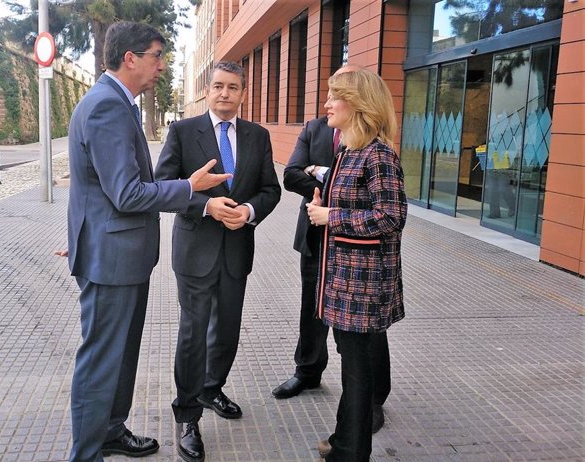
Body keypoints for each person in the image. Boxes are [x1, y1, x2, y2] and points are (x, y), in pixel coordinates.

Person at [66, 22, 230, 462]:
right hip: (112, 261)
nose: (162, 65)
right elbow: (127, 193)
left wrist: (82, 234)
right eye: (157, 55)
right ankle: (86, 453)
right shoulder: (107, 107)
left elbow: (94, 190)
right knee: (101, 361)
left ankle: (111, 431)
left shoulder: (118, 104)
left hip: (119, 256)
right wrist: (188, 188)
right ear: (130, 58)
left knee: (119, 356)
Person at [155, 61, 281, 462]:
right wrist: (207, 205)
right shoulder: (182, 131)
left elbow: (270, 189)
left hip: (236, 250)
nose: (225, 94)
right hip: (195, 251)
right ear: (207, 91)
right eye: (218, 87)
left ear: (243, 93)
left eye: (233, 87)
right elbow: (163, 186)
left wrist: (247, 211)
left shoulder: (258, 136)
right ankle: (187, 415)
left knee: (226, 329)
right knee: (193, 334)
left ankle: (212, 388)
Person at [306, 68, 407, 461]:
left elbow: (391, 216)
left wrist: (331, 217)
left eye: (335, 97)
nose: (327, 104)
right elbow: (348, 204)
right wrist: (321, 206)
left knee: (357, 372)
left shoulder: (378, 154)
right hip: (344, 282)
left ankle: (351, 452)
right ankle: (343, 440)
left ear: (359, 104)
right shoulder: (350, 150)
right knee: (353, 368)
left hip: (363, 287)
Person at [275, 103, 391, 433]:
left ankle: (374, 399)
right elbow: (291, 173)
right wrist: (322, 180)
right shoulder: (315, 128)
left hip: (355, 247)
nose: (327, 101)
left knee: (365, 325)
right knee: (311, 307)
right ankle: (308, 372)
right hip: (315, 232)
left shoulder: (374, 143)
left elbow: (382, 205)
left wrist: (323, 175)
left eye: (335, 94)